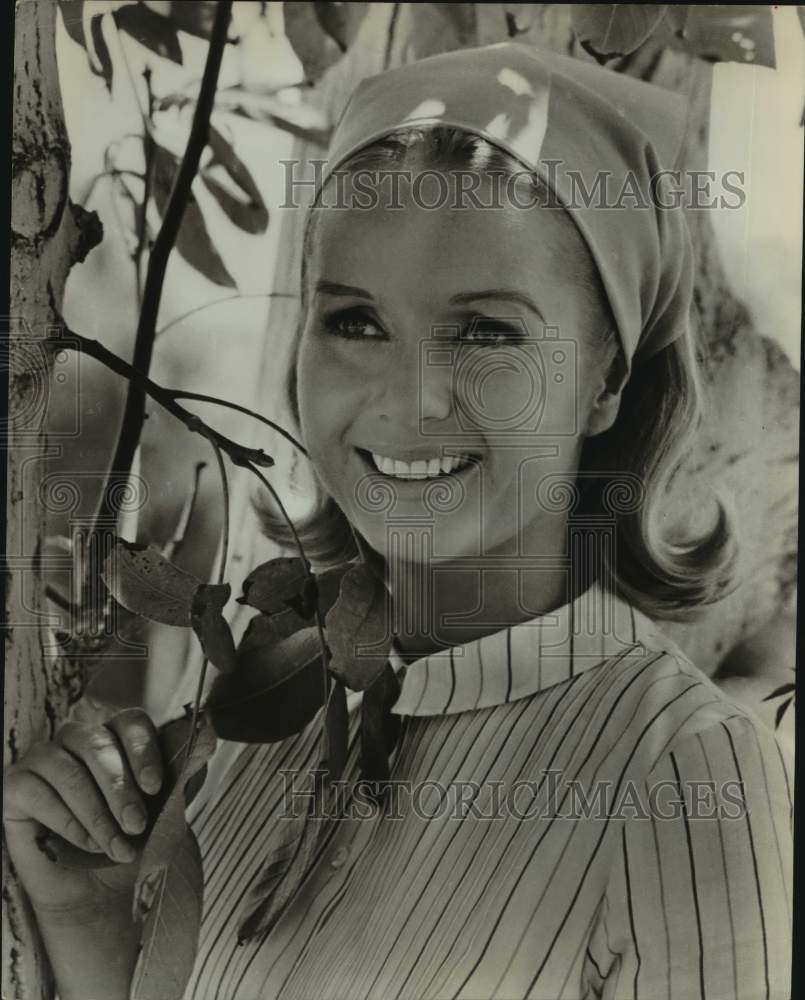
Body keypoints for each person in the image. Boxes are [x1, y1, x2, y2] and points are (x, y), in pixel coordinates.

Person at [4, 44, 792, 1000]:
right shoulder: (255, 723)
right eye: (355, 322)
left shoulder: (680, 768)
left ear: (606, 379)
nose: (409, 402)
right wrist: (96, 936)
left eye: (484, 331)